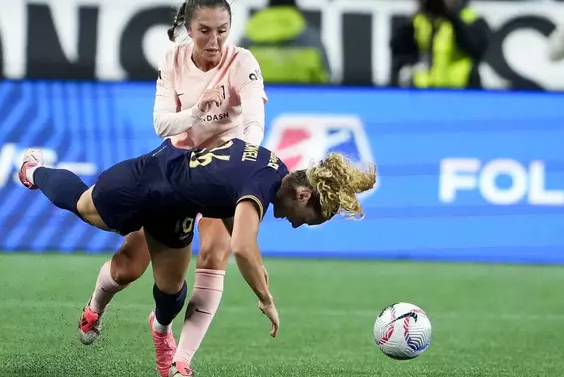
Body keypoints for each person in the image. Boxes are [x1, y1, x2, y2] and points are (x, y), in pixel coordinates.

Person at [18, 138, 376, 377]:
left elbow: (234, 213)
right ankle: (33, 170)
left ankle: (162, 336)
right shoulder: (264, 187)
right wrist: (265, 299)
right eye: (307, 220)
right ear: (302, 196)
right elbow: (242, 246)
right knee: (83, 206)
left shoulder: (274, 169)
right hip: (146, 181)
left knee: (172, 292)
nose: (298, 226)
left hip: (175, 209)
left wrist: (258, 267)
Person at [77, 0, 269, 376]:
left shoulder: (242, 61)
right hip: (177, 171)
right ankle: (95, 306)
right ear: (188, 27)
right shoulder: (173, 59)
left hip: (221, 176)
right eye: (205, 31)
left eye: (222, 30)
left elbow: (254, 121)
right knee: (129, 266)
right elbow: (163, 124)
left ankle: (180, 360)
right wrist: (198, 110)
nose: (214, 40)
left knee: (216, 254)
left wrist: (240, 159)